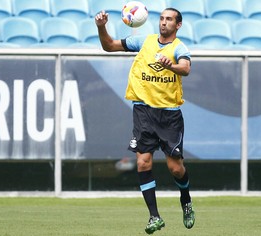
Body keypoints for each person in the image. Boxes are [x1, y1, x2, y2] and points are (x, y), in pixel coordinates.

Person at [95, 8, 195, 234]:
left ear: (177, 25)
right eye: (161, 19)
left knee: (175, 168)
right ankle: (154, 217)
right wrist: (101, 27)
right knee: (143, 163)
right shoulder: (144, 42)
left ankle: (186, 200)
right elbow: (109, 46)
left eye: (169, 20)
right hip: (143, 111)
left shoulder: (179, 48)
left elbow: (186, 68)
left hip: (169, 114)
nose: (163, 23)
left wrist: (170, 65)